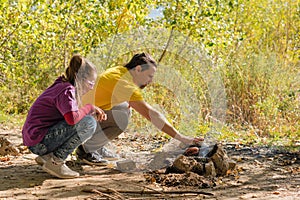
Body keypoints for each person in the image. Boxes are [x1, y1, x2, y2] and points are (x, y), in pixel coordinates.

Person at [77, 52, 204, 165]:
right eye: (149, 76)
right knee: (121, 118)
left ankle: (97, 147)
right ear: (138, 69)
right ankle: (87, 150)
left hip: (83, 113)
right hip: (76, 119)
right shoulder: (124, 84)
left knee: (123, 108)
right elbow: (151, 115)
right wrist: (181, 137)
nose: (151, 81)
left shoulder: (120, 71)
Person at [22, 54, 107, 178]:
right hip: (39, 141)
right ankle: (56, 161)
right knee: (89, 122)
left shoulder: (62, 86)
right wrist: (90, 107)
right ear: (80, 78)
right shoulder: (66, 91)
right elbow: (72, 119)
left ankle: (47, 157)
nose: (92, 87)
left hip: (35, 139)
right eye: (91, 82)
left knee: (86, 118)